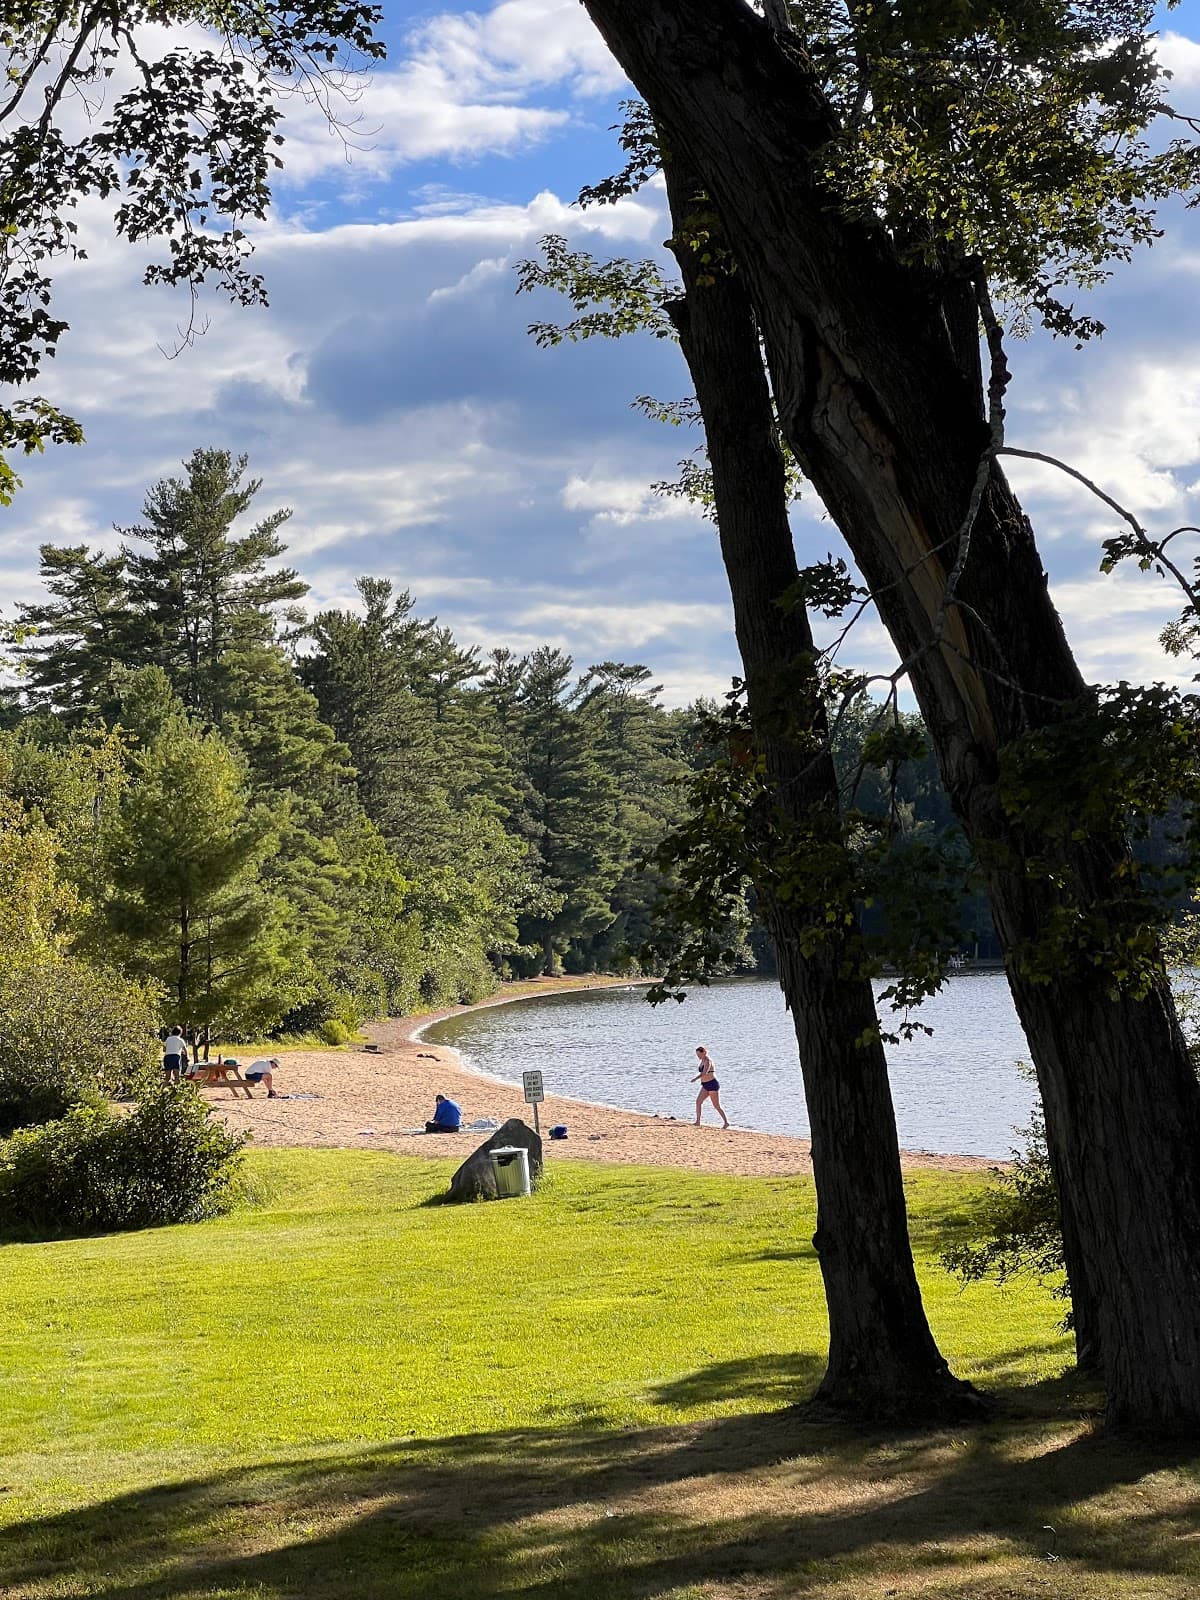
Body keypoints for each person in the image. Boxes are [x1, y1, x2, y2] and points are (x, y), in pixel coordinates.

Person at [691, 1045, 729, 1128]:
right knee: (698, 1102)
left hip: (712, 1084)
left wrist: (695, 1079)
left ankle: (726, 1122)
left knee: (716, 1105)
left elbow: (705, 1072)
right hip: (705, 1085)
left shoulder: (708, 1061)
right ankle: (698, 1121)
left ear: (704, 1052)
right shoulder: (702, 1061)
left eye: (699, 1055)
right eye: (697, 1055)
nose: (698, 1056)